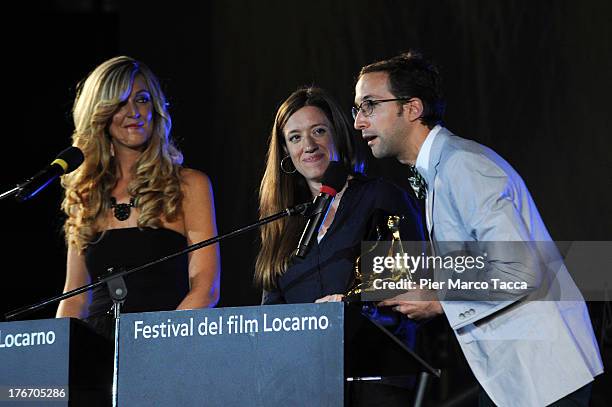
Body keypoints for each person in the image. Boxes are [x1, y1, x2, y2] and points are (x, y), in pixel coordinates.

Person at [353, 51, 603, 406]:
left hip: (545, 375)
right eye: (357, 109)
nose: (359, 122)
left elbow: (520, 268)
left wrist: (439, 297)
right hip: (521, 376)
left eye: (370, 105)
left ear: (412, 109)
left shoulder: (463, 166)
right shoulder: (441, 170)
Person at [256, 86, 424, 406]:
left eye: (319, 131)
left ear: (338, 135)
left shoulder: (379, 198)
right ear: (286, 154)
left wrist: (350, 308)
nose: (309, 145)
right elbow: (271, 317)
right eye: (295, 137)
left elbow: (408, 292)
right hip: (306, 385)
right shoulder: (283, 224)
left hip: (376, 380)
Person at [55, 56, 220, 338]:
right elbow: (75, 298)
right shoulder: (86, 194)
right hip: (96, 354)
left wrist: (156, 346)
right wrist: (55, 357)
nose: (133, 112)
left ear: (155, 108)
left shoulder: (189, 185)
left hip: (164, 348)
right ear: (101, 113)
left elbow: (205, 288)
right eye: (120, 103)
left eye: (142, 100)